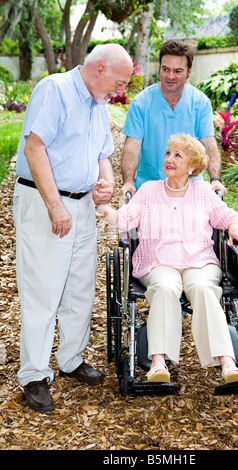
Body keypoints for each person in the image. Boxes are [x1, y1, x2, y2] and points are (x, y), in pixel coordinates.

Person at [13, 43, 133, 412]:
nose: (122, 89)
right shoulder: (55, 90)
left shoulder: (98, 104)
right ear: (99, 68)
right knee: (43, 290)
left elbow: (102, 156)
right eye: (120, 80)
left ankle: (70, 359)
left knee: (80, 285)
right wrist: (54, 206)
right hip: (46, 201)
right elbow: (35, 149)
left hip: (82, 206)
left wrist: (106, 182)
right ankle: (34, 374)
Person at [97, 133, 238, 385]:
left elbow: (228, 216)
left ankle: (227, 362)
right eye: (168, 153)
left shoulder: (202, 191)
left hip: (199, 260)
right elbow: (124, 220)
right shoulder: (148, 191)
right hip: (157, 261)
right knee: (166, 288)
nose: (170, 159)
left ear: (192, 166)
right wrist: (105, 208)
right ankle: (157, 362)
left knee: (203, 288)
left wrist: (234, 226)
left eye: (178, 155)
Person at [120, 39, 226, 197]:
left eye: (178, 71)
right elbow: (132, 148)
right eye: (165, 69)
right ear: (159, 69)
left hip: (190, 191)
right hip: (150, 190)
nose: (170, 76)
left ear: (188, 72)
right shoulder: (141, 103)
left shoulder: (200, 102)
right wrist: (128, 181)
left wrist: (215, 179)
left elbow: (209, 145)